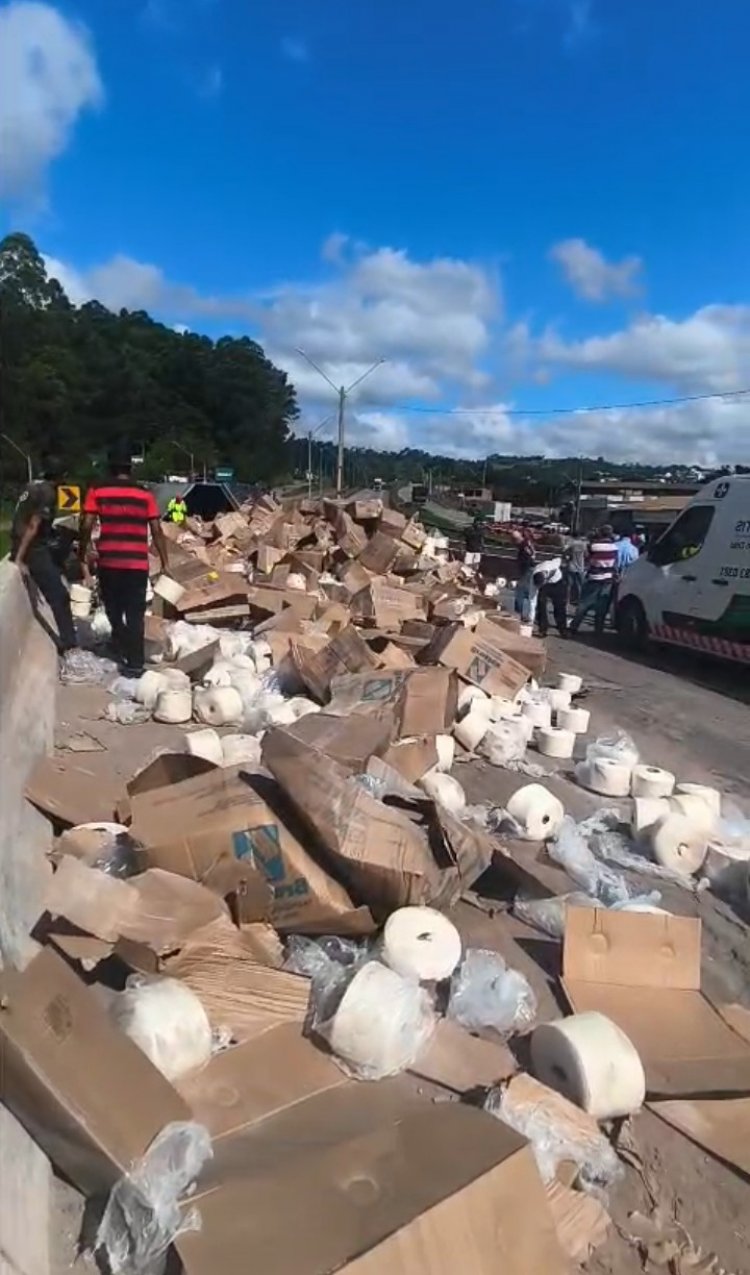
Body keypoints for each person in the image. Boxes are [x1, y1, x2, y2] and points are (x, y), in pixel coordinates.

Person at [79, 445, 170, 677]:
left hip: (109, 563)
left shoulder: (97, 490)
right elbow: (157, 530)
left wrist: (84, 547)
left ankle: (120, 640)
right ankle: (136, 663)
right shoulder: (145, 494)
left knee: (112, 608)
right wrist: (165, 562)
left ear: (110, 467)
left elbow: (87, 523)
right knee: (135, 614)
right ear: (130, 468)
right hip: (137, 564)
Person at [10, 458, 78, 657]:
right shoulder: (48, 493)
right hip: (32, 548)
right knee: (59, 596)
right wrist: (20, 558)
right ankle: (68, 643)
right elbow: (33, 526)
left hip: (22, 540)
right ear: (60, 477)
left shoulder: (33, 486)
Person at [569, 524, 617, 638]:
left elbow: (587, 559)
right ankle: (598, 631)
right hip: (608, 579)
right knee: (602, 607)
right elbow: (615, 563)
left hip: (594, 577)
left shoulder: (593, 546)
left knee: (584, 604)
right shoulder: (615, 547)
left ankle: (573, 628)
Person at [530, 557, 568, 638]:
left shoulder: (551, 565)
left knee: (559, 606)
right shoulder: (534, 575)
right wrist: (530, 619)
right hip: (545, 587)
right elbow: (532, 599)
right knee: (541, 605)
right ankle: (543, 630)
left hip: (558, 583)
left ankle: (563, 630)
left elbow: (560, 560)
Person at [512, 528, 537, 620]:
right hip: (528, 569)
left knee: (520, 592)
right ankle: (524, 613)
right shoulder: (528, 543)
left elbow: (529, 557)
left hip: (526, 570)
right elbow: (533, 554)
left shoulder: (524, 545)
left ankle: (519, 613)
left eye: (515, 539)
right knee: (526, 592)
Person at [564, 533, 587, 606]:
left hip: (572, 566)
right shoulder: (584, 544)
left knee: (569, 585)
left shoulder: (572, 544)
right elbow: (586, 555)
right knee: (579, 585)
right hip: (581, 566)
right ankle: (579, 601)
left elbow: (565, 553)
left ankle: (567, 601)